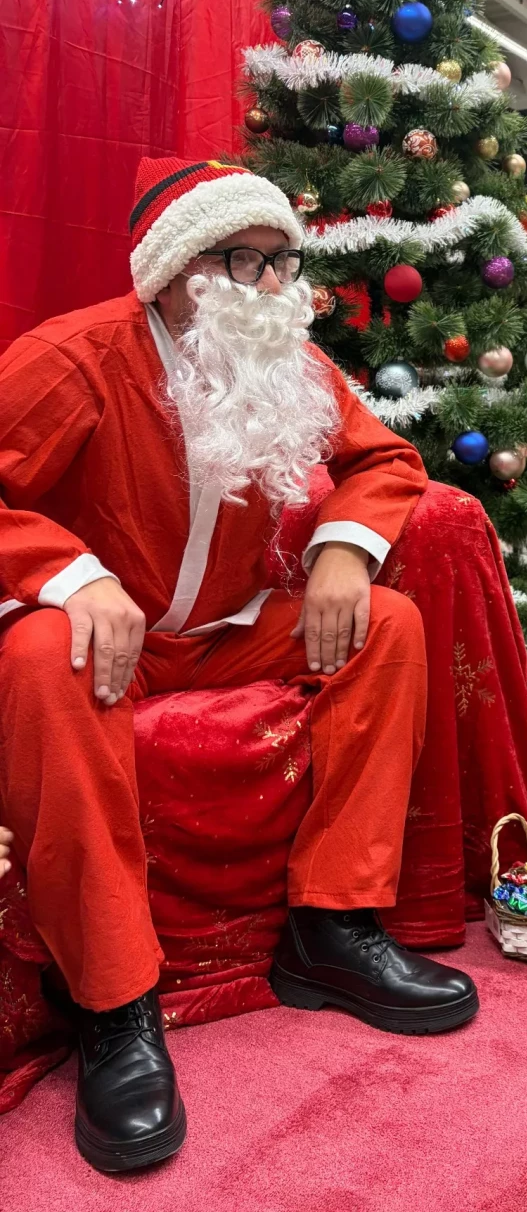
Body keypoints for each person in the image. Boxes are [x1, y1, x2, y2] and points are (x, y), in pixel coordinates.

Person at [0, 157, 478, 1174]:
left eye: (280, 261)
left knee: (386, 625)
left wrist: (344, 550)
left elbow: (385, 460)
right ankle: (114, 1005)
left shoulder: (290, 362)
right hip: (113, 640)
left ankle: (332, 928)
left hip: (230, 627)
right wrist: (71, 577)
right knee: (42, 654)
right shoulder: (76, 357)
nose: (268, 285)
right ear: (176, 271)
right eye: (240, 261)